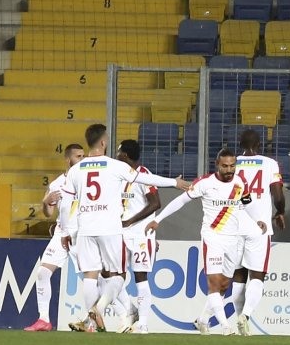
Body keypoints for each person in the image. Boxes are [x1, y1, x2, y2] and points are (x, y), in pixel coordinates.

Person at [60, 124, 189, 333]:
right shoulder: (113, 166)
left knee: (91, 276)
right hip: (111, 229)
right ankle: (99, 311)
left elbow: (65, 204)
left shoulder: (75, 170)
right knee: (117, 275)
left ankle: (92, 320)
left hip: (85, 230)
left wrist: (66, 231)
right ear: (103, 142)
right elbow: (147, 178)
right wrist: (173, 182)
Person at [146, 148, 266, 336]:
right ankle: (226, 328)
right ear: (217, 165)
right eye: (225, 166)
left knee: (225, 285)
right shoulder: (205, 183)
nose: (229, 170)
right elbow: (181, 201)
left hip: (232, 239)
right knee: (214, 284)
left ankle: (202, 320)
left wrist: (258, 219)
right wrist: (158, 220)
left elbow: (248, 202)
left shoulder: (240, 182)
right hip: (212, 238)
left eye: (232, 166)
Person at [24, 143, 85, 332]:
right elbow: (49, 213)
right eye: (78, 156)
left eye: (84, 156)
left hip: (81, 234)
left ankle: (113, 315)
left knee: (91, 279)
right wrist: (45, 202)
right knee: (42, 273)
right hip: (61, 233)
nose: (82, 160)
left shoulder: (87, 180)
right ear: (68, 160)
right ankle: (44, 319)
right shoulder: (57, 184)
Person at [229, 129, 285, 336]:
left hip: (235, 225)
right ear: (260, 144)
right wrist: (280, 211)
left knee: (238, 275)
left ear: (240, 144)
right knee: (257, 275)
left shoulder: (231, 163)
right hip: (260, 227)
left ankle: (237, 321)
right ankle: (246, 315)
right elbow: (277, 192)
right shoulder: (269, 163)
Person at [107, 139, 161, 334]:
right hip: (119, 234)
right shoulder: (118, 176)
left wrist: (131, 221)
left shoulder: (144, 175)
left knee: (141, 277)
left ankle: (143, 323)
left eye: (119, 152)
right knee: (112, 275)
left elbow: (155, 203)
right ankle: (130, 310)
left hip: (140, 235)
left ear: (126, 156)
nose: (116, 155)